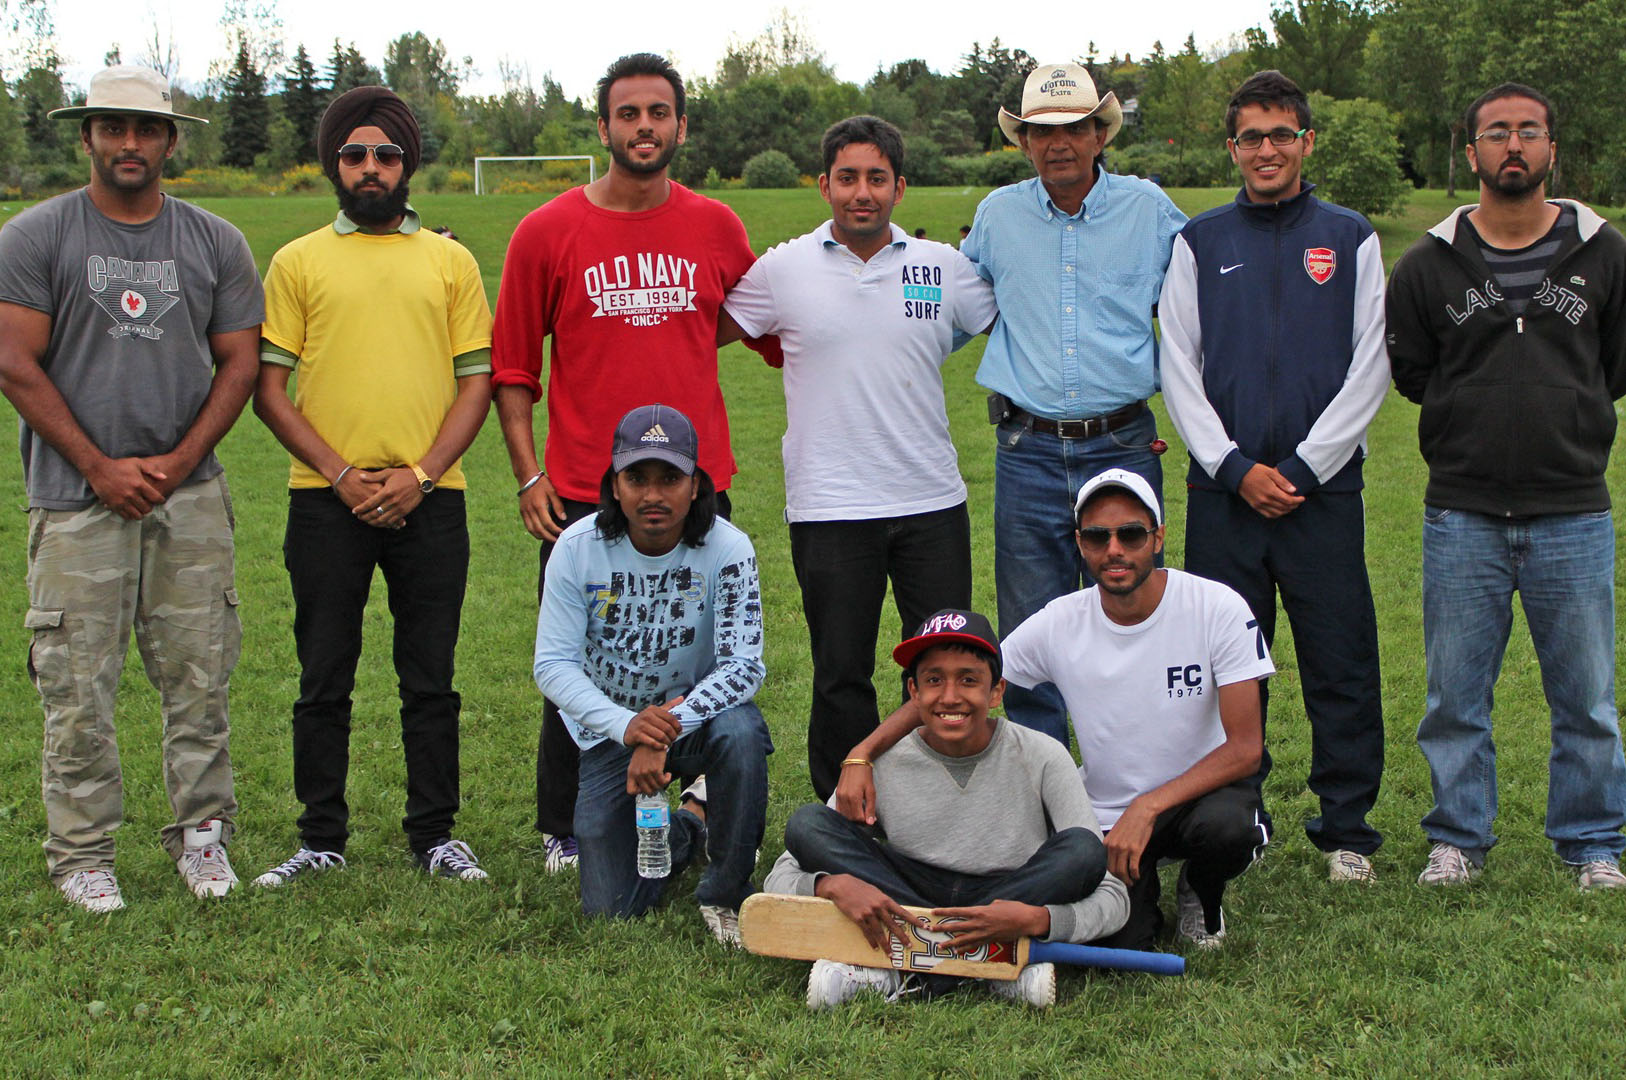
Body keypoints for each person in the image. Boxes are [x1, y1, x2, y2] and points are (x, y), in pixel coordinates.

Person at [492, 53, 778, 872]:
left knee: (702, 651)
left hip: (695, 489)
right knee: (580, 662)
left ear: (680, 126)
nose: (644, 127)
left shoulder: (716, 225)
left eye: (659, 112)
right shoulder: (544, 232)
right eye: (629, 113)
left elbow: (752, 321)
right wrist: (527, 475)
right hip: (585, 489)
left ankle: (699, 796)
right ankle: (565, 827)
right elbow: (513, 368)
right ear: (604, 127)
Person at [0, 66, 262, 911]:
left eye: (145, 130)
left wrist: (181, 462)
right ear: (87, 136)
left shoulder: (215, 241)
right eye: (112, 127)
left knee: (201, 676)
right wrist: (99, 466)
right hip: (77, 501)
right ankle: (82, 853)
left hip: (187, 499)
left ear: (169, 140)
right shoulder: (37, 236)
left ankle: (203, 839)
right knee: (77, 683)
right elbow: (14, 361)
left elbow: (241, 361)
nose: (129, 143)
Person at [840, 469, 1274, 950]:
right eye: (1097, 536)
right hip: (1106, 814)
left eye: (1130, 534)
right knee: (1124, 937)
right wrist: (861, 754)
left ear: (1157, 538)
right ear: (1079, 543)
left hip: (1199, 799)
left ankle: (1202, 891)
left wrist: (1148, 805)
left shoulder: (1217, 608)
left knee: (1227, 829)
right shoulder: (1061, 621)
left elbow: (1246, 750)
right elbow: (958, 687)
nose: (1114, 550)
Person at [251, 86, 494, 887]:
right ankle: (320, 835)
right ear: (334, 164)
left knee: (430, 680)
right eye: (354, 154)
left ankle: (434, 836)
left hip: (433, 498)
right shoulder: (298, 261)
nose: (369, 168)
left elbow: (476, 384)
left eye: (385, 155)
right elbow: (270, 390)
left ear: (407, 164)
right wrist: (343, 474)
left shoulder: (450, 261)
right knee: (324, 676)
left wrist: (420, 476)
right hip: (326, 501)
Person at [1386, 82, 1626, 890]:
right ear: (1472, 151)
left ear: (1552, 148)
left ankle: (1592, 844)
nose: (1512, 145)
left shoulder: (1606, 252)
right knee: (1455, 697)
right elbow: (1415, 373)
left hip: (1572, 511)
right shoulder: (1427, 264)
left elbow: (1614, 368)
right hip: (1463, 513)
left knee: (1587, 700)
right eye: (1496, 133)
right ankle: (1458, 839)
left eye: (1528, 131)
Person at [719, 115, 996, 802]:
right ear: (824, 185)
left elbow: (1014, 329)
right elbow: (700, 334)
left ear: (900, 186)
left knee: (944, 667)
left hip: (932, 503)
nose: (861, 193)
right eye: (847, 178)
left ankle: (937, 801)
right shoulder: (782, 271)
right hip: (830, 507)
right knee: (839, 672)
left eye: (877, 178)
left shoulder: (944, 268)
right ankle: (841, 815)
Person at [1158, 70, 1390, 884]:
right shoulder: (1199, 241)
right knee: (1224, 662)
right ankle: (1232, 815)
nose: (1266, 149)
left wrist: (1298, 468)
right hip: (1223, 498)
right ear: (1233, 148)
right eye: (1251, 137)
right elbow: (1176, 364)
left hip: (1320, 496)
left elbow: (1372, 366)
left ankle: (1348, 831)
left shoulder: (1352, 235)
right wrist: (1231, 466)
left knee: (1341, 657)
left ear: (1306, 142)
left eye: (1281, 134)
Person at [962, 62, 1187, 745]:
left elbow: (1196, 308)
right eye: (1042, 131)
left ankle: (1145, 770)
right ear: (1023, 141)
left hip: (1119, 445)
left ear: (1099, 134)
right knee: (1031, 631)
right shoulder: (997, 216)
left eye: (1074, 128)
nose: (1059, 143)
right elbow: (959, 301)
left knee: (1135, 610)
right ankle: (1046, 783)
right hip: (1026, 450)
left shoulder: (1148, 211)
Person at [767, 608, 1129, 1009]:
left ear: (996, 692)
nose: (951, 696)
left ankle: (901, 969)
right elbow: (780, 876)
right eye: (934, 680)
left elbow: (1112, 893)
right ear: (914, 692)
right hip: (908, 895)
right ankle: (989, 965)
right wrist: (829, 886)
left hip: (1007, 894)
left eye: (969, 680)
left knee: (1082, 848)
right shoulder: (883, 761)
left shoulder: (1043, 755)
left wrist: (1037, 920)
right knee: (808, 823)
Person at [534, 404, 771, 943]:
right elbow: (551, 665)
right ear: (614, 486)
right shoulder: (575, 548)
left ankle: (726, 893)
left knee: (741, 731)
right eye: (636, 478)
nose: (653, 495)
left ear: (695, 485)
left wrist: (662, 729)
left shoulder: (729, 548)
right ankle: (691, 821)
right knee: (611, 908)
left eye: (670, 478)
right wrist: (627, 728)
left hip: (694, 719)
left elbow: (743, 664)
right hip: (609, 730)